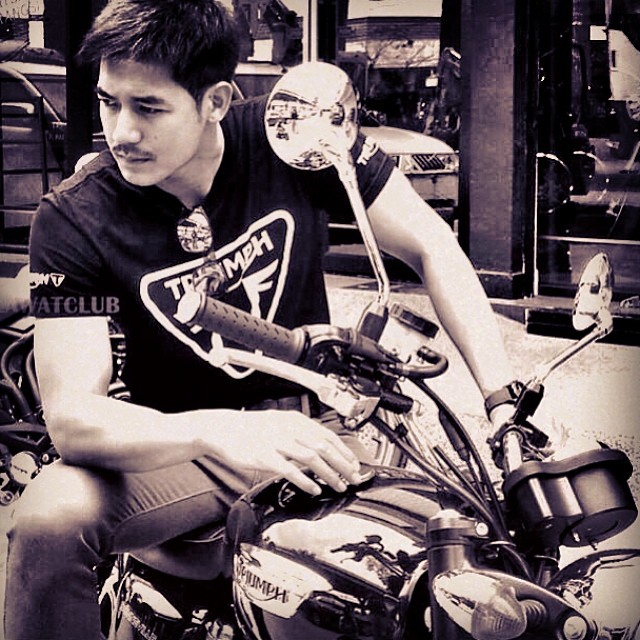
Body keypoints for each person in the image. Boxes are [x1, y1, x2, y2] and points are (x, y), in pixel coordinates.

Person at [4, 1, 522, 638]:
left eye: (149, 107)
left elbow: (430, 245)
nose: (122, 131)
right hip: (185, 448)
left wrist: (503, 401)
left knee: (445, 577)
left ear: (216, 101)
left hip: (331, 424)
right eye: (109, 103)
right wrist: (222, 430)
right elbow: (74, 418)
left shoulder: (296, 137)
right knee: (48, 516)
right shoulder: (75, 214)